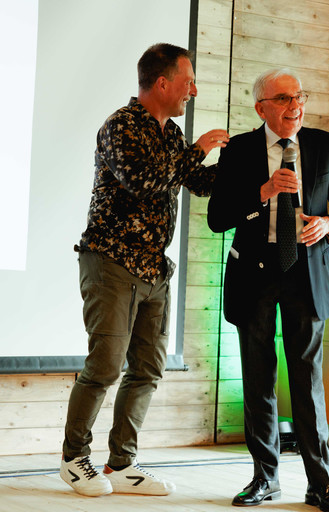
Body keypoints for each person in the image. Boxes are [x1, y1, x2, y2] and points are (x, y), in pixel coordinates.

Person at [60, 43, 229, 497]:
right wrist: (197, 149)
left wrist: (248, 169)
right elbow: (143, 181)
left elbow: (199, 183)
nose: (193, 90)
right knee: (105, 365)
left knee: (148, 369)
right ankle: (74, 459)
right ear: (162, 83)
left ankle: (122, 463)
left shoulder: (171, 135)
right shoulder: (121, 126)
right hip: (112, 260)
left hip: (154, 268)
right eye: (188, 81)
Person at [207, 69, 329, 511]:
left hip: (306, 273)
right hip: (254, 273)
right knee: (259, 381)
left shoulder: (324, 145)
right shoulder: (238, 149)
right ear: (261, 108)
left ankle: (321, 483)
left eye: (299, 97)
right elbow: (218, 218)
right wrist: (264, 190)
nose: (296, 105)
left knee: (308, 381)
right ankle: (265, 478)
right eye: (284, 98)